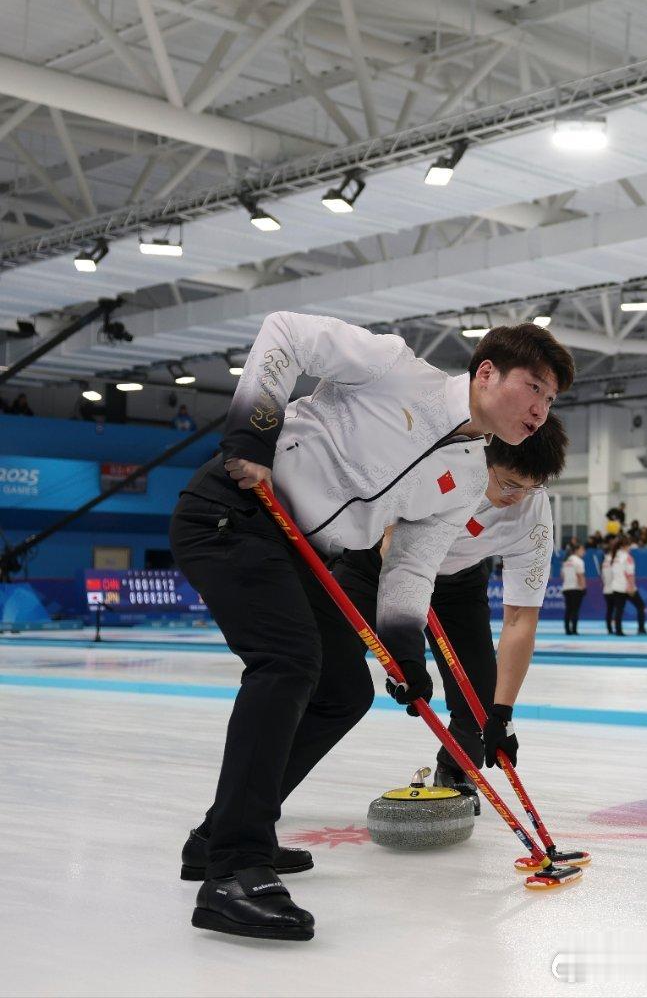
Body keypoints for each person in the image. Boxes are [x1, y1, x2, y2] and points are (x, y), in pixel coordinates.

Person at [169, 315, 572, 942]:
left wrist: (406, 653)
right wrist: (252, 434)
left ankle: (219, 832)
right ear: (486, 373)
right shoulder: (394, 368)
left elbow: (411, 566)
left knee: (343, 693)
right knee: (288, 662)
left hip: (304, 554)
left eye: (551, 401)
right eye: (534, 389)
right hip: (237, 511)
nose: (541, 410)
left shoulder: (468, 475)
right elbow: (284, 332)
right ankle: (233, 869)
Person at [333, 416, 567, 792]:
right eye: (509, 483)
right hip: (379, 566)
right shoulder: (438, 461)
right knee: (323, 674)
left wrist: (503, 714)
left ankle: (455, 770)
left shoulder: (532, 510)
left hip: (456, 583)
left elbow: (521, 617)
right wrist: (403, 655)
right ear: (482, 456)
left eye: (531, 486)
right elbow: (394, 547)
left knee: (480, 705)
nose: (517, 497)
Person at [560, 541, 587, 634]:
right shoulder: (579, 561)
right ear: (577, 550)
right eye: (582, 550)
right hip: (576, 588)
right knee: (575, 610)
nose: (584, 552)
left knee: (568, 610)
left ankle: (567, 629)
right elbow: (580, 575)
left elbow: (562, 575)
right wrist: (583, 587)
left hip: (566, 588)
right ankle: (574, 630)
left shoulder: (566, 561)